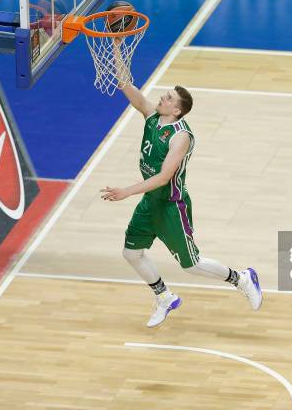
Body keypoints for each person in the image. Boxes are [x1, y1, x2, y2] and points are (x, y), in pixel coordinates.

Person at [100, 83, 262, 328]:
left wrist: (126, 192)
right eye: (165, 95)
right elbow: (125, 86)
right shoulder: (153, 116)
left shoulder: (181, 136)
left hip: (171, 206)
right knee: (131, 253)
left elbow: (164, 178)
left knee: (192, 265)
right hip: (150, 202)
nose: (162, 98)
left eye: (168, 98)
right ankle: (165, 297)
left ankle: (242, 279)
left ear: (176, 111)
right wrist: (115, 47)